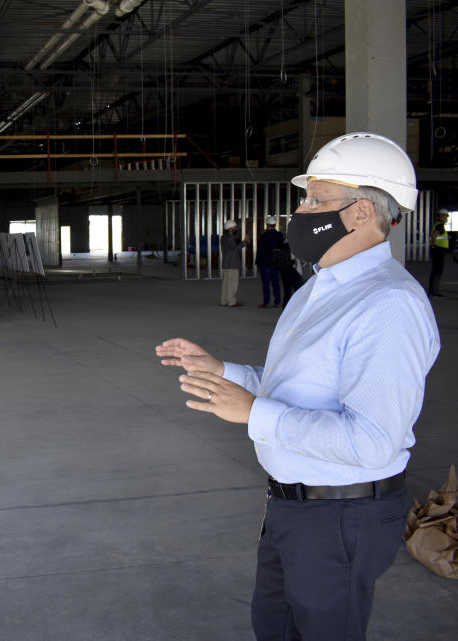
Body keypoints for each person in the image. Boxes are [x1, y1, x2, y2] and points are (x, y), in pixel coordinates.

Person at [155, 132, 439, 641]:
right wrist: (225, 373)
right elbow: (294, 385)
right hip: (292, 506)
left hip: (340, 516)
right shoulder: (319, 287)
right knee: (275, 628)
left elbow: (373, 441)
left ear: (359, 214)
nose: (300, 212)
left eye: (315, 199)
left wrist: (253, 414)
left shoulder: (389, 305)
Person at [255, 215, 283, 308]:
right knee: (276, 284)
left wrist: (257, 261)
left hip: (265, 263)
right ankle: (277, 301)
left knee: (266, 284)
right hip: (276, 263)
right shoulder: (280, 235)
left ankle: (266, 302)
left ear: (267, 225)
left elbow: (260, 250)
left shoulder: (264, 236)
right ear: (274, 225)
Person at [220, 219, 249, 306]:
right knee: (232, 283)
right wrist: (245, 241)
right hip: (232, 264)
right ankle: (231, 301)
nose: (236, 229)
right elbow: (235, 248)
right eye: (235, 227)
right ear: (230, 229)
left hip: (226, 263)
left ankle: (224, 300)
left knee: (226, 283)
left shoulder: (223, 237)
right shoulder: (230, 238)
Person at [427, 208, 449, 296]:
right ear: (441, 216)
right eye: (445, 216)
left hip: (437, 249)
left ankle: (433, 290)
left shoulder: (437, 224)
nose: (446, 218)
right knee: (438, 271)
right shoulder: (440, 225)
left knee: (436, 270)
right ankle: (434, 291)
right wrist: (433, 246)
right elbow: (434, 235)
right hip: (438, 250)